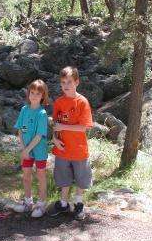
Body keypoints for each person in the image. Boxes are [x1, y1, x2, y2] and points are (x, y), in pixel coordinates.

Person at [51, 66, 93, 220]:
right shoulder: (59, 102)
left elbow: (84, 128)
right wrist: (54, 138)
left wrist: (64, 126)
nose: (66, 85)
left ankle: (79, 202)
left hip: (79, 150)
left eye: (69, 81)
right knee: (63, 177)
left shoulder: (82, 102)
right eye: (63, 82)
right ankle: (63, 203)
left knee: (81, 178)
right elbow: (55, 123)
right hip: (62, 149)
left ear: (77, 82)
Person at [14, 79, 49, 218]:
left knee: (40, 176)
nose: (34, 96)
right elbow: (20, 130)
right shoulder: (24, 110)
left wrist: (27, 150)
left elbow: (39, 135)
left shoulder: (42, 113)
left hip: (38, 150)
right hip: (25, 150)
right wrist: (23, 148)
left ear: (42, 96)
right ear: (28, 93)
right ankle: (28, 202)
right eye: (32, 92)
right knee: (26, 175)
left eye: (37, 94)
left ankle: (41, 204)